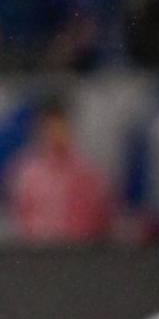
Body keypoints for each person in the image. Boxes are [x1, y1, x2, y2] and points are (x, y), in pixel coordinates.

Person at [6, 99, 114, 243]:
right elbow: (20, 217)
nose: (55, 134)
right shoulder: (26, 173)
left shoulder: (87, 173)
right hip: (37, 252)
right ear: (40, 131)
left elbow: (99, 218)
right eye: (50, 128)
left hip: (79, 250)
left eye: (60, 127)